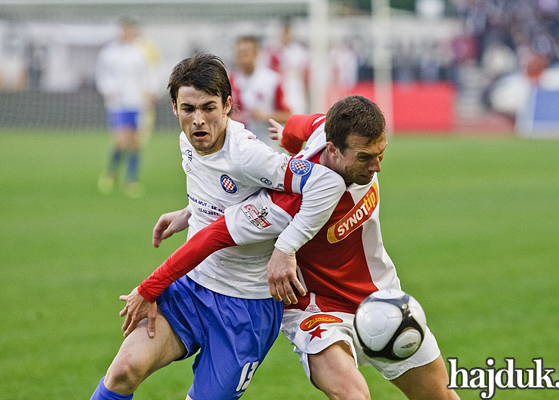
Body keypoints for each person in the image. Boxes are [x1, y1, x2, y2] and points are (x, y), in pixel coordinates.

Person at [121, 95, 460, 399]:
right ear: (333, 149)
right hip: (316, 310)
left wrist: (285, 137)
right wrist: (153, 285)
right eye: (366, 157)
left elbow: (299, 125)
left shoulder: (322, 129)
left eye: (381, 154)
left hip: (381, 298)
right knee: (353, 396)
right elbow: (212, 237)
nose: (376, 167)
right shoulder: (284, 204)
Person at [89, 53, 345, 400]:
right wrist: (189, 213)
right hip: (191, 288)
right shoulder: (189, 141)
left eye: (208, 108)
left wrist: (287, 248)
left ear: (227, 105)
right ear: (175, 107)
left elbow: (326, 184)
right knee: (123, 370)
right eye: (188, 108)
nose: (198, 120)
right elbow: (220, 195)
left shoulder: (249, 155)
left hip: (246, 307)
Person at [95, 17, 160, 198]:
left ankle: (131, 180)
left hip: (138, 102)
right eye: (123, 29)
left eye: (129, 30)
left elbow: (150, 73)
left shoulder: (141, 52)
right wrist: (108, 89)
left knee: (135, 142)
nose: (125, 33)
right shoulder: (109, 52)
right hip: (118, 103)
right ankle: (111, 173)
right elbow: (101, 75)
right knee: (121, 139)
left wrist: (151, 91)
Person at [230, 35, 291, 152]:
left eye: (246, 52)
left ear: (256, 54)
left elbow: (288, 116)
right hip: (240, 148)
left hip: (267, 147)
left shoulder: (272, 80)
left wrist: (264, 116)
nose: (242, 57)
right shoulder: (230, 81)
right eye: (239, 53)